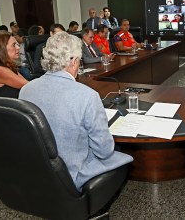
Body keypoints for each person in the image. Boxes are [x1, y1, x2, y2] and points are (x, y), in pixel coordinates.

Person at [18, 31, 133, 192]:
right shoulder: (87, 96)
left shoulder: (26, 90)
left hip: (39, 170)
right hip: (73, 175)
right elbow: (104, 151)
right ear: (73, 61)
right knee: (120, 154)